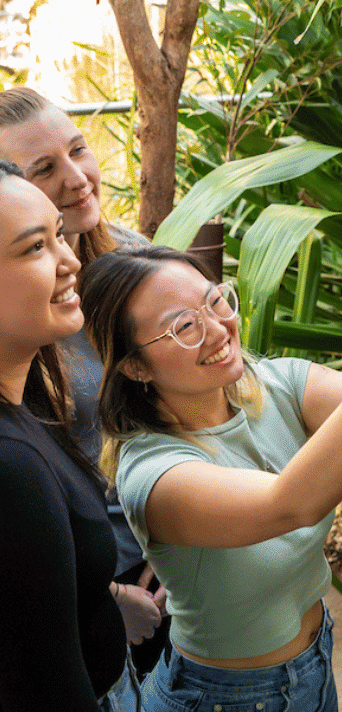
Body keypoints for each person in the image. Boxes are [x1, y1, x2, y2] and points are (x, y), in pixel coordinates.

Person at [78, 243, 342, 712]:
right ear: (134, 366)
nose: (218, 328)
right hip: (222, 697)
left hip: (315, 662)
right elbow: (292, 502)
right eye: (183, 327)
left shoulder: (273, 384)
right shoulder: (154, 475)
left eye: (215, 301)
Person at [0, 86, 166, 681]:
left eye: (79, 150)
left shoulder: (133, 258)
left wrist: (183, 547)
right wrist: (100, 599)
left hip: (173, 544)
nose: (78, 178)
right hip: (83, 580)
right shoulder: (23, 326)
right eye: (44, 168)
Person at [0, 160, 126, 710]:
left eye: (58, 235)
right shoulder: (10, 467)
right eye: (34, 248)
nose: (70, 261)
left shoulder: (27, 407)